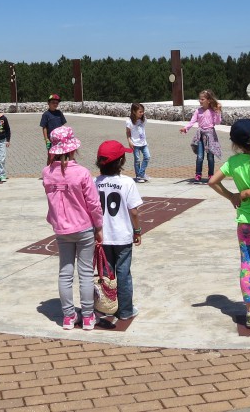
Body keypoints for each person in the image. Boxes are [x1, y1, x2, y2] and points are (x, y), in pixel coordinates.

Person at [205, 119, 250, 329]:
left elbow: (212, 181)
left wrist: (232, 197)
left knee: (247, 266)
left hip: (245, 223)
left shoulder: (233, 163)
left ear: (235, 143)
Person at [42, 125, 103, 330]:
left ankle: (68, 316)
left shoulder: (47, 173)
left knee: (65, 273)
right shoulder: (82, 173)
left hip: (61, 229)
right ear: (72, 149)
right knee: (85, 273)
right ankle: (87, 316)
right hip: (84, 227)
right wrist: (99, 226)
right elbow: (93, 203)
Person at [94, 140, 143, 323]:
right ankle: (125, 310)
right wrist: (137, 230)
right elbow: (134, 211)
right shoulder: (127, 182)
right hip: (122, 237)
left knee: (106, 274)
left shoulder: (94, 182)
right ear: (121, 161)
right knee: (124, 273)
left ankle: (106, 306)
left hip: (102, 236)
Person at [180, 89, 223, 184]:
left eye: (202, 99)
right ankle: (198, 174)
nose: (200, 101)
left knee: (210, 157)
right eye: (200, 99)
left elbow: (217, 122)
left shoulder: (212, 111)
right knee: (200, 156)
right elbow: (192, 121)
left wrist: (218, 111)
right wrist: (186, 128)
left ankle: (211, 175)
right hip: (200, 135)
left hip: (210, 136)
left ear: (209, 100)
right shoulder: (198, 111)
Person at [40, 94, 66, 170]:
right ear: (48, 103)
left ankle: (59, 171)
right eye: (53, 102)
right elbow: (44, 127)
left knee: (61, 155)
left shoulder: (59, 113)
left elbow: (62, 125)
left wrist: (64, 136)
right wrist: (46, 139)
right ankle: (48, 171)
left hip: (60, 139)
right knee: (51, 156)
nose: (55, 104)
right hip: (50, 140)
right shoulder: (46, 115)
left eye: (57, 103)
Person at [125, 103, 150, 183]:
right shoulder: (129, 121)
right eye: (140, 112)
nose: (142, 113)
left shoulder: (143, 120)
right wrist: (129, 141)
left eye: (143, 111)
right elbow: (128, 133)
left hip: (143, 143)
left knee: (147, 157)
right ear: (134, 111)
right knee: (137, 160)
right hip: (135, 143)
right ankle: (138, 176)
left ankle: (141, 174)